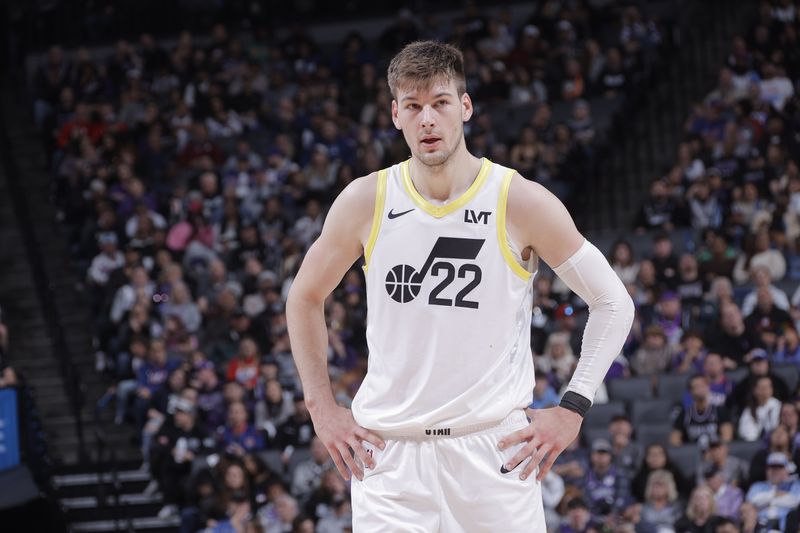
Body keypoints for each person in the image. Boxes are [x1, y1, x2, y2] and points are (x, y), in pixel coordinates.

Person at [286, 40, 635, 531]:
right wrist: (321, 408)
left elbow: (613, 302)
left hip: (494, 451)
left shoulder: (519, 200)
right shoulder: (365, 200)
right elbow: (303, 297)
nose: (427, 118)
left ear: (465, 107)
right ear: (395, 115)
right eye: (413, 106)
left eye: (440, 103)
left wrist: (573, 409)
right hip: (391, 458)